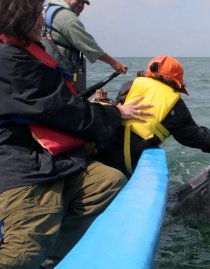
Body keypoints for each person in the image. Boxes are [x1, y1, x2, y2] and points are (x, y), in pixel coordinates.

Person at [0, 1, 151, 268]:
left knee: (109, 181)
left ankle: (53, 258)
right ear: (15, 18)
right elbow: (65, 112)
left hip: (46, 156)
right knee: (24, 252)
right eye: (35, 15)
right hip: (20, 164)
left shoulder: (24, 52)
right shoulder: (10, 59)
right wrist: (116, 114)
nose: (41, 22)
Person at [95, 56, 210, 176]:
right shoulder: (174, 103)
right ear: (177, 81)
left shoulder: (130, 85)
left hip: (103, 149)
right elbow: (191, 134)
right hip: (127, 162)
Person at [42, 0, 128, 92]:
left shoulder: (44, 11)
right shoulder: (67, 17)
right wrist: (115, 64)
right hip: (58, 74)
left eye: (83, 3)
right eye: (78, 1)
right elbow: (89, 46)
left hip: (42, 69)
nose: (81, 5)